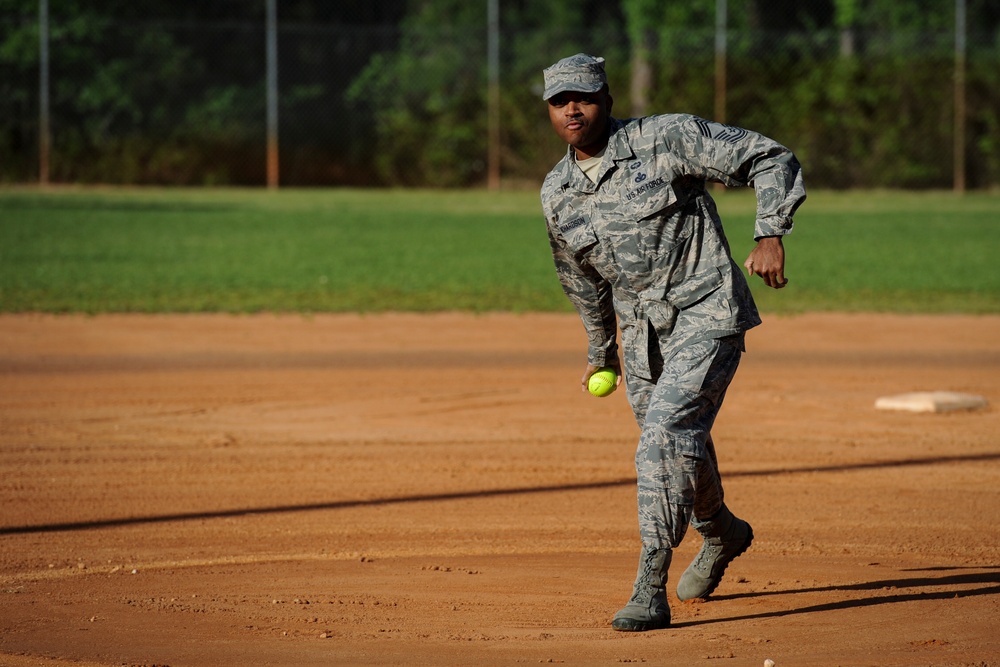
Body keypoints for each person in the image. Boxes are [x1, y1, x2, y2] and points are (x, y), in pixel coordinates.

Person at [539, 53, 806, 632]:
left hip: (707, 309)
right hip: (640, 335)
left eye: (583, 97)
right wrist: (598, 348)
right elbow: (581, 281)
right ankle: (721, 532)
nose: (572, 110)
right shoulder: (557, 191)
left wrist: (770, 232)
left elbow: (769, 156)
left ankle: (648, 584)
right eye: (560, 102)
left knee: (664, 435)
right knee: (681, 442)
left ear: (607, 99)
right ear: (550, 113)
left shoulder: (665, 138)